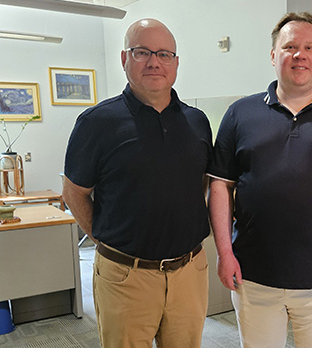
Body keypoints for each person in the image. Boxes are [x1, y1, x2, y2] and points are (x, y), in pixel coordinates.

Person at [208, 12, 312, 347]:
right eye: (289, 47)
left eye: (308, 47)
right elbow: (220, 187)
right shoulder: (240, 114)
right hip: (253, 275)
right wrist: (224, 252)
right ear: (274, 55)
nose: (299, 55)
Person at [62, 18, 212, 348]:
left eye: (164, 54)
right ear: (124, 59)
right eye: (142, 52)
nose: (154, 62)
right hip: (125, 276)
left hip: (189, 272)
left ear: (176, 63)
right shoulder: (96, 123)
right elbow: (74, 193)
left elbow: (198, 182)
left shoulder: (197, 123)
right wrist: (102, 235)